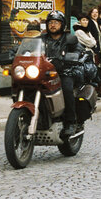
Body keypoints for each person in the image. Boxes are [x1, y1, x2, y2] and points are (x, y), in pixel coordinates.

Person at [42, 10, 83, 138]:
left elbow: (79, 50)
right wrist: (13, 54)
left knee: (66, 88)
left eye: (56, 22)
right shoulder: (41, 38)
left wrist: (74, 56)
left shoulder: (69, 39)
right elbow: (27, 48)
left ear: (62, 25)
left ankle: (70, 122)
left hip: (65, 72)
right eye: (50, 22)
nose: (53, 25)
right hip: (45, 73)